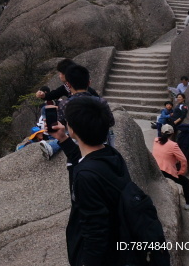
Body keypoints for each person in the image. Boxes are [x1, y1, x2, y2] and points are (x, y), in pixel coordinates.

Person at [48, 95, 130, 265]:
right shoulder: (111, 155)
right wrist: (63, 139)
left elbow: (95, 233)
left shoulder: (86, 176)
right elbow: (85, 156)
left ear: (72, 129)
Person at [40, 64, 101, 159]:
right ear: (89, 83)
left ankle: (53, 145)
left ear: (67, 81)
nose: (59, 76)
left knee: (70, 132)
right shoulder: (97, 99)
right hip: (98, 133)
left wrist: (59, 109)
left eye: (60, 73)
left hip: (82, 132)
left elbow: (61, 121)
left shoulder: (66, 104)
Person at [153, 124, 189, 210]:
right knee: (185, 182)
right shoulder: (173, 145)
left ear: (161, 132)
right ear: (172, 134)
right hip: (166, 171)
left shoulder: (156, 140)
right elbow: (183, 160)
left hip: (156, 168)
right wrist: (182, 171)